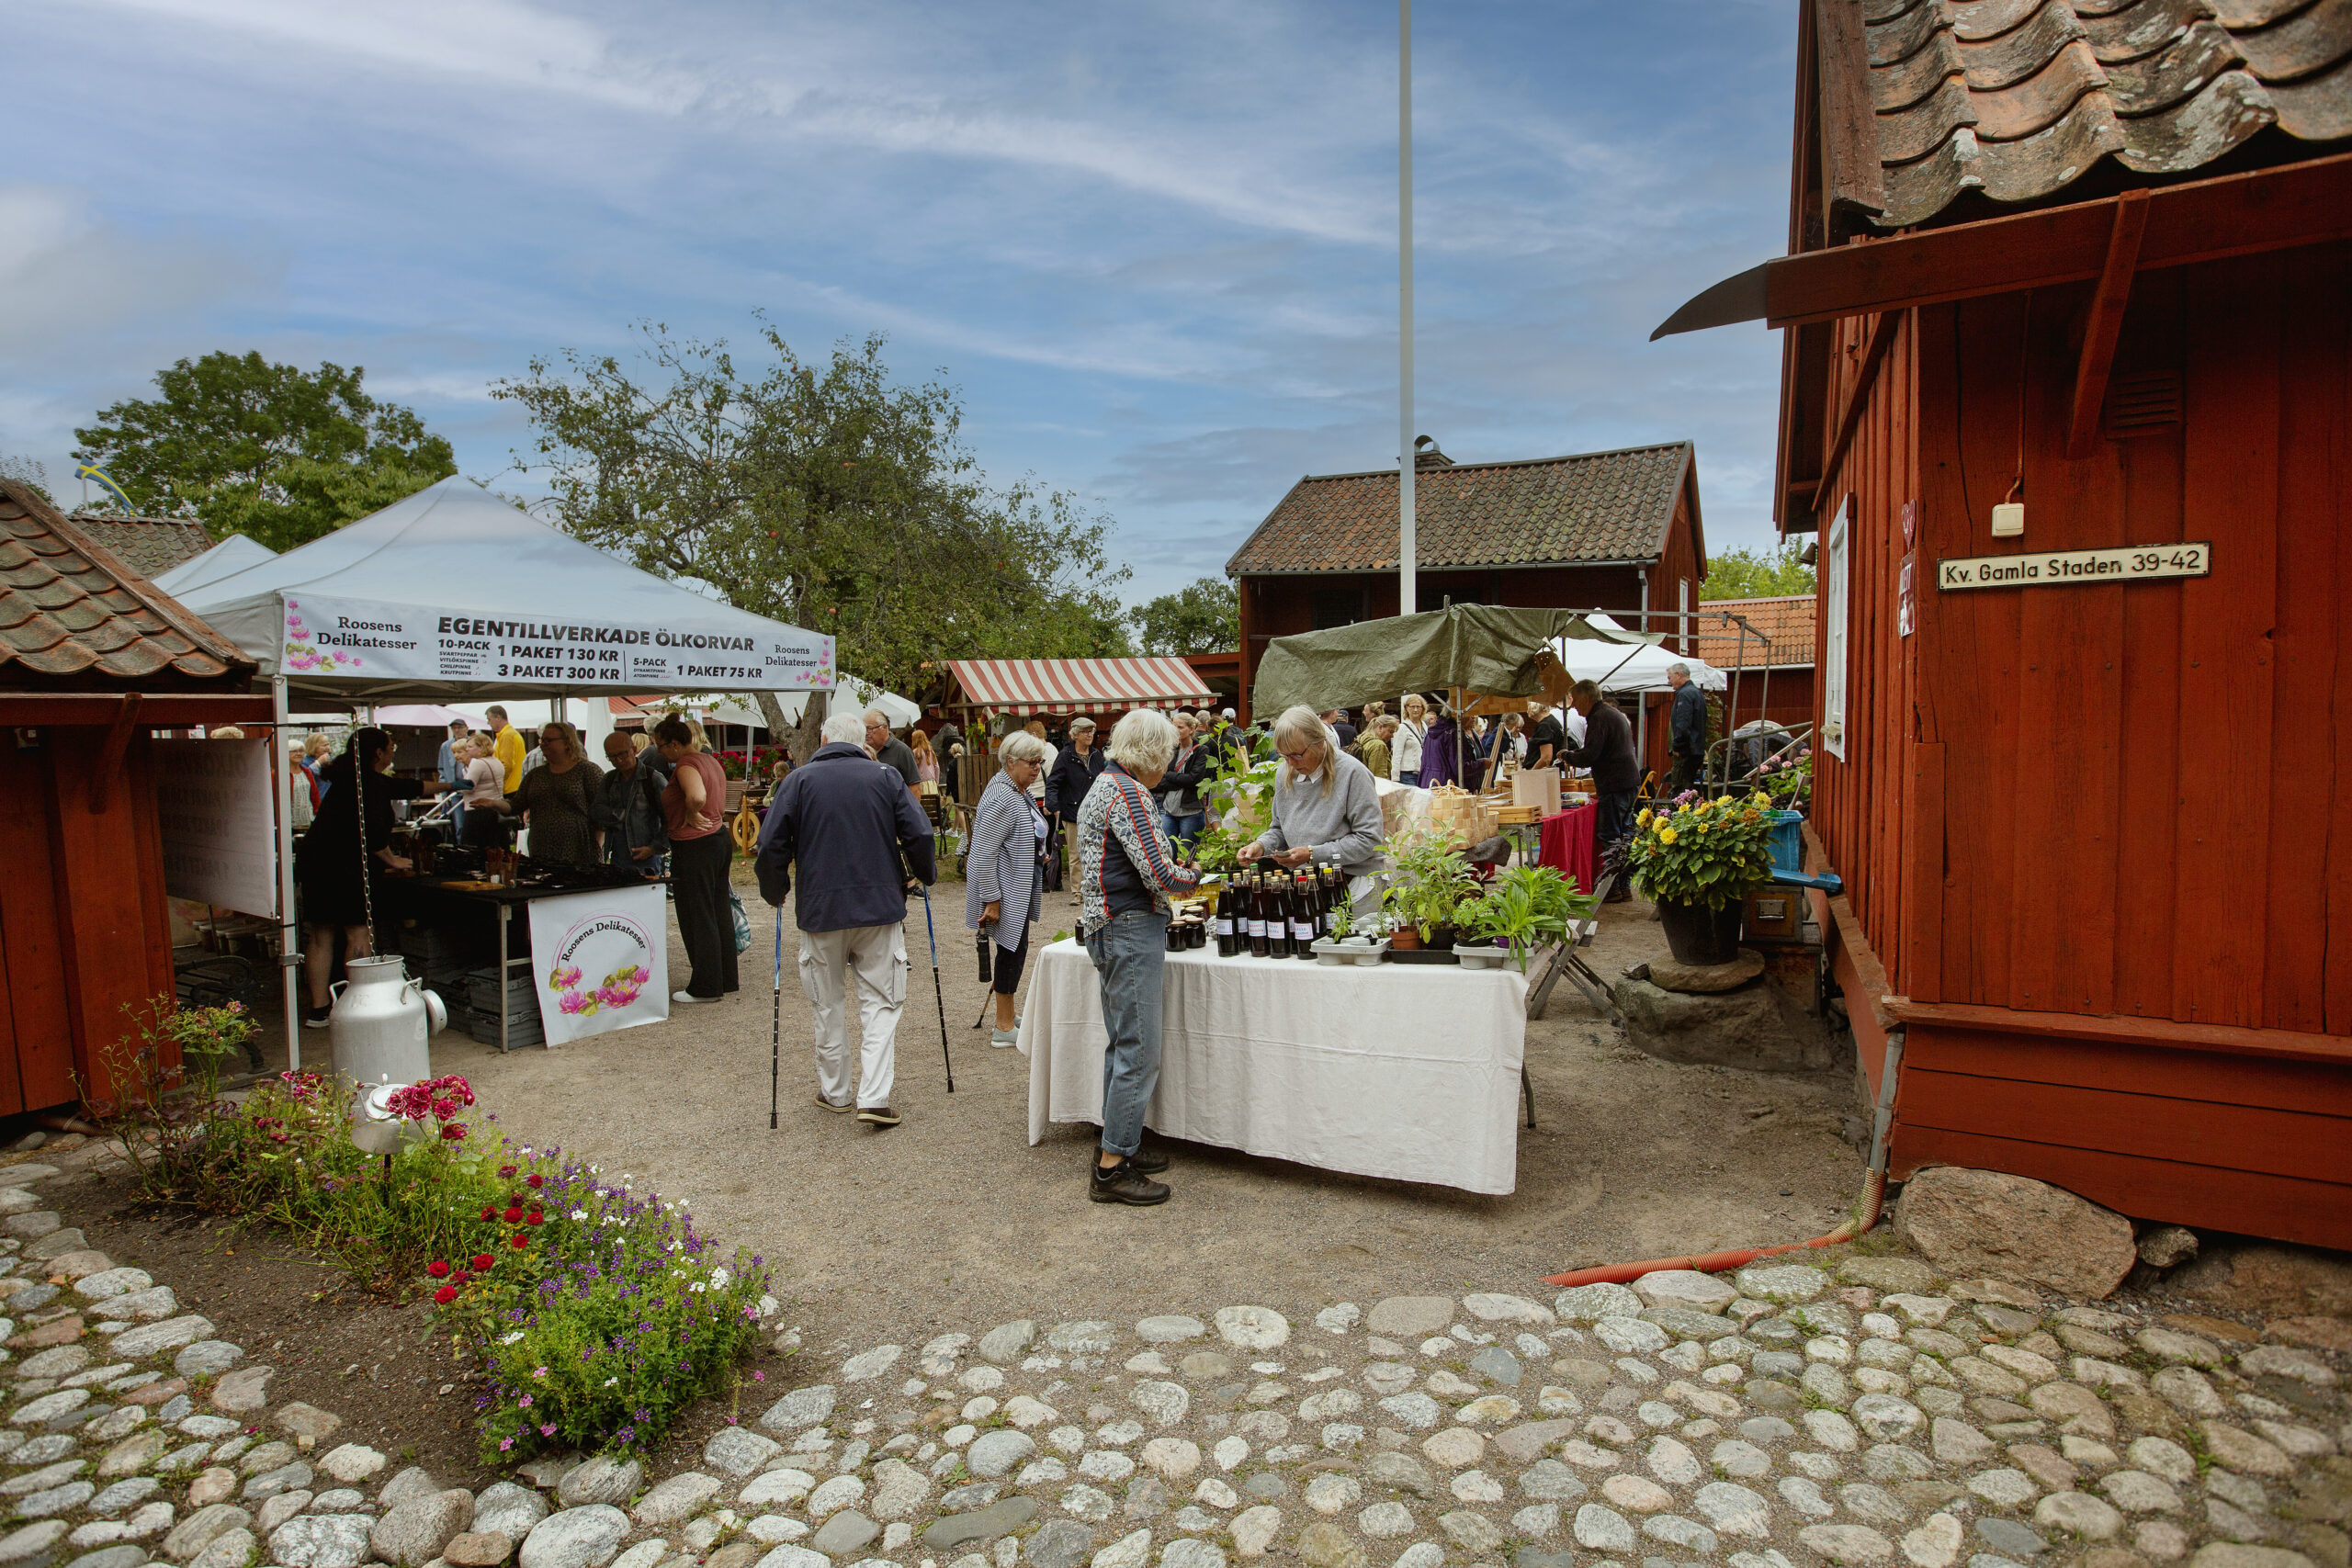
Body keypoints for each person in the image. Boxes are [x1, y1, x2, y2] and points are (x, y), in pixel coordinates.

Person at [755, 710, 936, 1129]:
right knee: (881, 1002)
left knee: (826, 1001)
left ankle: (835, 1091)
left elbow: (770, 845)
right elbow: (921, 833)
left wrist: (774, 889)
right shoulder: (885, 778)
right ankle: (873, 1097)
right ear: (864, 743)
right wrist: (922, 873)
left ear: (822, 740)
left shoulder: (797, 782)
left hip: (821, 910)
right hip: (879, 908)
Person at [1075, 709, 1199, 1205]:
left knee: (1123, 1045)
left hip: (1108, 925)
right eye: (1166, 754)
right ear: (1151, 752)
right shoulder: (1129, 793)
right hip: (1128, 926)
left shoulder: (1104, 784)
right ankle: (1110, 1168)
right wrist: (1199, 875)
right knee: (1140, 1050)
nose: (1169, 763)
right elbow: (1160, 874)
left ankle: (1119, 1143)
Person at [295, 728, 447, 1028]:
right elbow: (375, 832)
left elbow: (406, 786)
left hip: (316, 861)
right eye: (391, 747)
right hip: (343, 865)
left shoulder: (351, 776)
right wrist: (392, 859)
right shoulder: (369, 784)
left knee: (321, 934)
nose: (394, 752)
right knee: (357, 931)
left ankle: (319, 1010)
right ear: (378, 752)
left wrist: (449, 785)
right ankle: (360, 1004)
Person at [967, 729, 1051, 1045]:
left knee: (1016, 948)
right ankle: (1002, 1026)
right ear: (1011, 761)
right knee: (1010, 951)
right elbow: (983, 850)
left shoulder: (1015, 788)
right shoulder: (1003, 795)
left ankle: (1009, 1012)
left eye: (1039, 762)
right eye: (1031, 762)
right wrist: (991, 899)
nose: (1036, 768)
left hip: (1014, 885)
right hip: (1004, 889)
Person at [1241, 705, 1387, 886]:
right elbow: (1279, 829)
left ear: (1320, 742)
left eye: (1297, 754)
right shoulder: (1285, 772)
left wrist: (1312, 854)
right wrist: (1261, 845)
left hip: (1354, 880)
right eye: (1284, 756)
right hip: (1308, 881)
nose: (1291, 763)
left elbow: (1369, 840)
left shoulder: (1352, 773)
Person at [654, 714, 736, 1004]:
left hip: (694, 844)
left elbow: (698, 796)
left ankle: (705, 985)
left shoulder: (687, 764)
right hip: (718, 840)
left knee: (697, 914)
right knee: (717, 909)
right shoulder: (710, 760)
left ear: (675, 744)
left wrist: (690, 811)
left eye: (662, 746)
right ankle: (725, 977)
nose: (661, 752)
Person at [1560, 678, 1640, 848]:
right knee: (1625, 833)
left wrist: (1567, 756)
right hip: (1626, 782)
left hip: (1615, 785)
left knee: (1612, 837)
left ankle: (1617, 873)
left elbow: (1590, 754)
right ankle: (1627, 871)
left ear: (1587, 698)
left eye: (1575, 699)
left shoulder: (1599, 717)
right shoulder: (1609, 713)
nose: (1573, 705)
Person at [513, 721, 604, 866]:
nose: (543, 744)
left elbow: (602, 810)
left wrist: (597, 845)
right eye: (543, 740)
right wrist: (494, 804)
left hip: (578, 847)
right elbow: (516, 805)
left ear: (567, 742)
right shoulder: (536, 775)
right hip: (541, 846)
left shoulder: (587, 770)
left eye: (549, 740)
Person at [594, 729, 670, 874]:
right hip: (617, 857)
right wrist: (619, 815)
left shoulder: (652, 779)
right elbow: (596, 810)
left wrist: (654, 848)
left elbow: (671, 818)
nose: (619, 760)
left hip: (647, 859)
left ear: (634, 750)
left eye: (623, 754)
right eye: (612, 756)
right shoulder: (609, 779)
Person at [1045, 716, 1108, 879]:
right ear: (1075, 735)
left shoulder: (1096, 754)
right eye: (1084, 731)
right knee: (1075, 854)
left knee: (1096, 851)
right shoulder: (1065, 755)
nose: (1089, 735)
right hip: (1072, 811)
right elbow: (1052, 782)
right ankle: (1077, 892)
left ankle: (1094, 886)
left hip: (1095, 812)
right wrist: (1054, 806)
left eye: (1091, 731)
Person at [1158, 712, 1213, 847]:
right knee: (1168, 852)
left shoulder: (1201, 751)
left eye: (1180, 727)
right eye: (1174, 727)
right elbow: (1160, 778)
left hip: (1191, 811)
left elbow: (1194, 779)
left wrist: (1169, 774)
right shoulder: (1171, 750)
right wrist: (1178, 780)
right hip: (1168, 809)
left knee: (1187, 855)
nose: (1176, 731)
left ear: (1191, 729)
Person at [458, 734, 510, 847]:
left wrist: (456, 786)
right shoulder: (496, 761)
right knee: (494, 847)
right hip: (495, 809)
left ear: (481, 747)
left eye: (470, 746)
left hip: (477, 810)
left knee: (473, 848)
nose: (467, 749)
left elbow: (468, 786)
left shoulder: (478, 763)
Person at [1668, 662, 1708, 794]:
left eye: (1670, 677)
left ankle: (1677, 813)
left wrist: (1678, 746)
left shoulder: (1684, 694)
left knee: (1679, 790)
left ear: (1678, 675)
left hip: (1686, 750)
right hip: (1696, 749)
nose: (1669, 681)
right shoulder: (1697, 693)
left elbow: (1683, 725)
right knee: (1688, 789)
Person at [865, 709, 921, 801]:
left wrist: (909, 814)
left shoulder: (902, 751)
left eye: (870, 729)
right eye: (864, 729)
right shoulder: (863, 752)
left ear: (884, 727)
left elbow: (915, 788)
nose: (866, 733)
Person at [435, 718, 470, 842]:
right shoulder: (446, 746)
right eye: (454, 728)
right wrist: (445, 793)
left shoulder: (472, 743)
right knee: (459, 825)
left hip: (471, 791)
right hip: (455, 792)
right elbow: (442, 770)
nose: (457, 730)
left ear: (466, 728)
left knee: (472, 824)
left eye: (460, 727)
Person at [481, 705, 526, 801]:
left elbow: (506, 765)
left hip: (511, 788)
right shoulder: (509, 733)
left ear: (498, 717)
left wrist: (496, 783)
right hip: (515, 785)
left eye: (489, 719)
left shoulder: (507, 735)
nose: (488, 723)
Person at [1481, 711, 1529, 789]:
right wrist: (1502, 755)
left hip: (1505, 763)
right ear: (1513, 722)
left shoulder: (1507, 731)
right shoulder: (1500, 730)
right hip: (1497, 763)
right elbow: (1488, 745)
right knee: (1495, 782)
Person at [1392, 694, 1428, 786]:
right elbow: (1396, 754)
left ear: (1422, 709)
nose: (1415, 710)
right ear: (1407, 708)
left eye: (1418, 707)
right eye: (1412, 707)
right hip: (1407, 774)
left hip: (1423, 773)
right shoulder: (1402, 728)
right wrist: (1395, 778)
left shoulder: (1424, 726)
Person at [931, 712, 965, 803]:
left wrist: (947, 793)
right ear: (962, 751)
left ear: (952, 752)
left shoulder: (952, 764)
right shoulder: (966, 762)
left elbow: (950, 780)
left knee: (959, 810)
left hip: (956, 790)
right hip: (968, 789)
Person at [1359, 714, 1397, 783]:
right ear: (1380, 727)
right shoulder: (1379, 746)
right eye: (1390, 732)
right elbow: (1379, 778)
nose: (1392, 736)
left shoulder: (1362, 738)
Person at [1526, 702, 1564, 772]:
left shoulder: (1544, 725)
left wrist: (1531, 773)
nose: (1527, 710)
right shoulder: (1552, 721)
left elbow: (1546, 758)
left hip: (1541, 773)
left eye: (1528, 707)